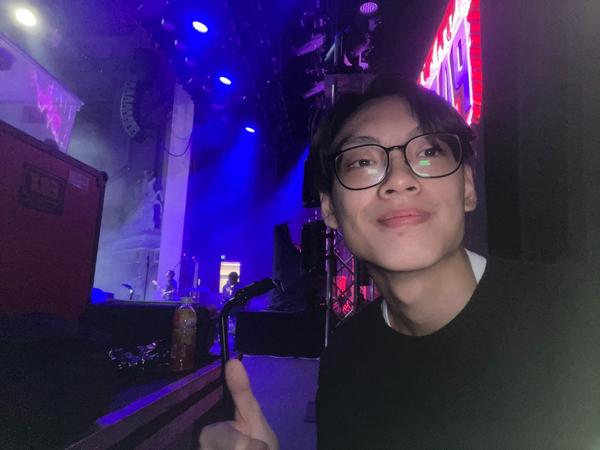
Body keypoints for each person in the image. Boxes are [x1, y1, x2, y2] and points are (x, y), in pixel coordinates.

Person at [198, 75, 597, 449]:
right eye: (362, 162)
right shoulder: (345, 359)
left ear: (468, 186)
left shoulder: (579, 317)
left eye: (428, 152)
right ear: (330, 209)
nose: (399, 179)